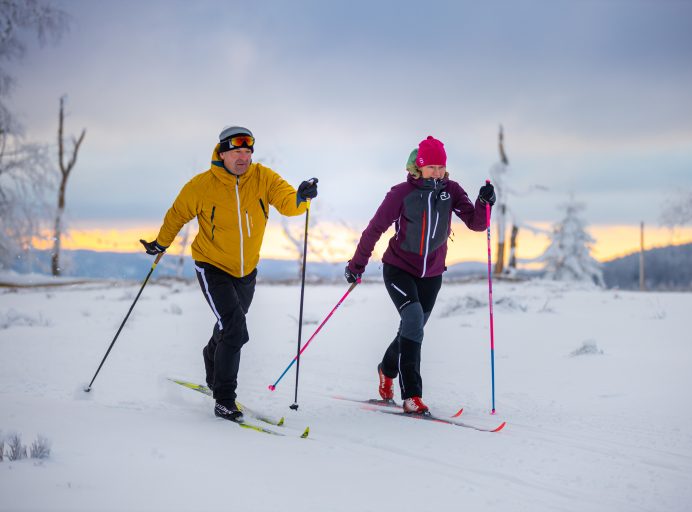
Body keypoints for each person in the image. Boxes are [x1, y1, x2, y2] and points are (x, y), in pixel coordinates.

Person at [140, 126, 318, 422]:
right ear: (222, 154)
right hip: (211, 265)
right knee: (235, 329)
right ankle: (224, 399)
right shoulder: (201, 185)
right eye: (237, 152)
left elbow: (288, 203)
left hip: (246, 271)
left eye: (247, 152)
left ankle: (211, 355)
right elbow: (177, 214)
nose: (243, 157)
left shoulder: (263, 178)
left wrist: (301, 197)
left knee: (229, 326)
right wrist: (161, 243)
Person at [345, 136, 495, 414]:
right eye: (431, 167)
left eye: (441, 167)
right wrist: (356, 265)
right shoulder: (401, 193)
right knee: (413, 320)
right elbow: (375, 228)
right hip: (399, 268)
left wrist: (484, 203)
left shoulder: (451, 190)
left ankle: (386, 369)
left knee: (411, 328)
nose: (437, 172)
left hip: (432, 274)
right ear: (419, 166)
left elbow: (476, 223)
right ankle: (412, 396)